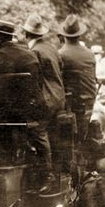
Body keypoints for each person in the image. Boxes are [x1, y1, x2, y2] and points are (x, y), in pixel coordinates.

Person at [0, 19, 54, 192]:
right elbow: (36, 88)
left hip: (1, 115)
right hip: (27, 115)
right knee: (39, 132)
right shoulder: (29, 55)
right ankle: (46, 174)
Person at [22, 15, 66, 179]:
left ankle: (46, 174)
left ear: (26, 34)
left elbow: (33, 80)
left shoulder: (34, 51)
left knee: (36, 129)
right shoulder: (51, 47)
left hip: (48, 100)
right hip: (59, 98)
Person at [57, 16, 99, 164]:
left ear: (63, 35)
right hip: (88, 106)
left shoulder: (61, 54)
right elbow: (93, 79)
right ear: (79, 35)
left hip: (70, 107)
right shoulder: (89, 54)